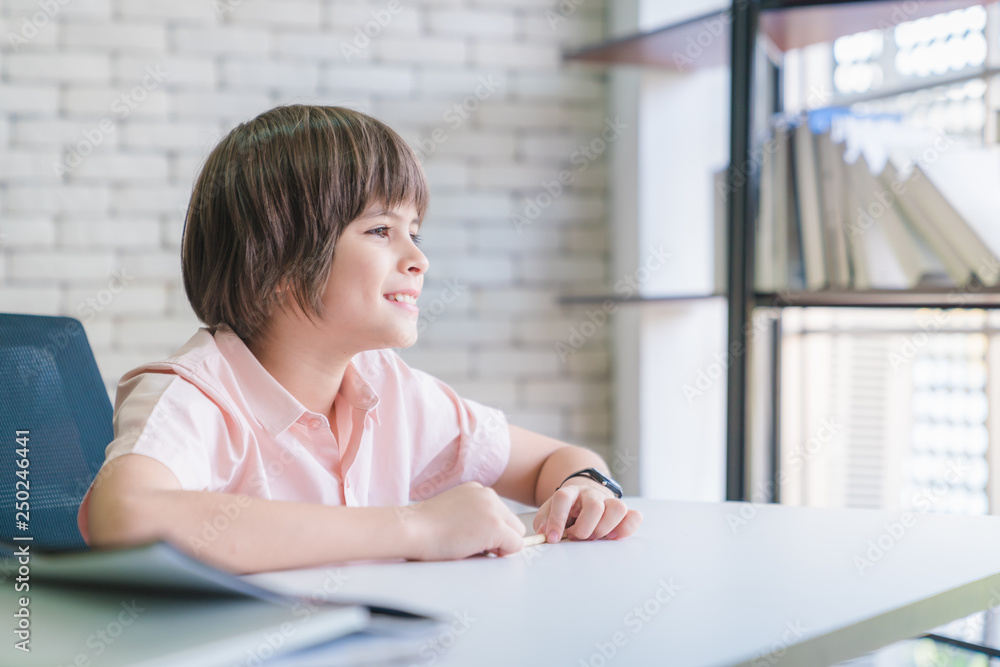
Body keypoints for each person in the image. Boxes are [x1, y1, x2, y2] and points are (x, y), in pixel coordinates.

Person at [78, 105, 642, 574]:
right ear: (275, 262)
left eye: (414, 234)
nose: (418, 259)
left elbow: (551, 459)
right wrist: (415, 526)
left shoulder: (386, 390)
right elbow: (125, 517)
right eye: (380, 231)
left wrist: (584, 486)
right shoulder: (192, 396)